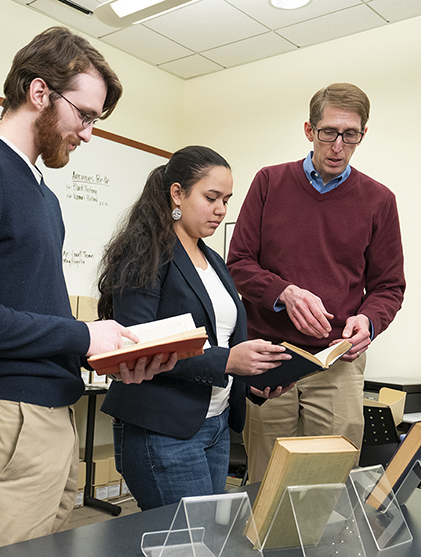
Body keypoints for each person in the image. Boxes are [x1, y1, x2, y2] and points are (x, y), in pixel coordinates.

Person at [0, 27, 176, 555]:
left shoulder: (45, 197)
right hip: (8, 415)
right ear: (39, 92)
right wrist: (81, 335)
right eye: (84, 115)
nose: (88, 133)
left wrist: (103, 354)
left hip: (55, 414)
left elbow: (32, 310)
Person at [226, 83, 406, 482]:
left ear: (362, 135)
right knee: (266, 482)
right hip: (271, 360)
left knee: (328, 482)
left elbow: (389, 286)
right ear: (309, 130)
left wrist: (369, 321)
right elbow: (238, 263)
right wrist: (284, 293)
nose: (338, 146)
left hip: (336, 362)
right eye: (329, 133)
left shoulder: (379, 200)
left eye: (350, 135)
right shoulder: (269, 182)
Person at [96, 145, 292, 511]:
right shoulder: (145, 253)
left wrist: (254, 380)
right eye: (211, 198)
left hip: (216, 423)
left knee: (205, 535)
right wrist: (227, 362)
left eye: (226, 200)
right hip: (164, 428)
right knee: (190, 536)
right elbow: (137, 344)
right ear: (177, 193)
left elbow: (221, 340)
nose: (221, 210)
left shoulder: (213, 260)